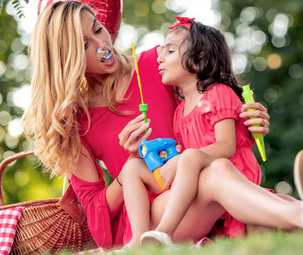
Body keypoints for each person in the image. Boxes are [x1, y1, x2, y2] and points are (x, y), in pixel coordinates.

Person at [23, 1, 303, 250]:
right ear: (68, 58)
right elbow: (96, 221)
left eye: (98, 29)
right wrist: (125, 172)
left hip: (199, 192)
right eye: (86, 44)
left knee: (261, 198)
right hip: (150, 219)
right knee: (215, 172)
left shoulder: (156, 64)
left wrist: (247, 119)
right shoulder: (73, 124)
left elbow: (207, 108)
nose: (103, 44)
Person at [119, 17, 281, 246]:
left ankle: (164, 232)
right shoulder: (180, 112)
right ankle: (137, 240)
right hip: (197, 180)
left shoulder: (219, 93)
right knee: (132, 167)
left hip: (228, 178)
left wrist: (183, 159)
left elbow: (226, 147)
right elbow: (189, 156)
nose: (159, 57)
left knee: (272, 212)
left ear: (198, 59)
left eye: (170, 51)